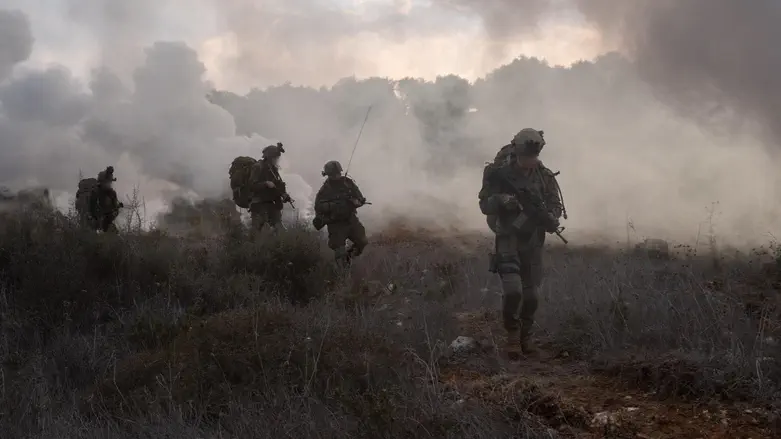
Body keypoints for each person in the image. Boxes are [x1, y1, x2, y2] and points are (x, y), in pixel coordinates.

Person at [478, 128, 565, 359]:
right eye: (526, 158)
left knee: (531, 296)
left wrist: (550, 217)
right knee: (513, 291)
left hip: (533, 240)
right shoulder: (498, 173)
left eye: (533, 158)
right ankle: (513, 337)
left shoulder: (543, 175)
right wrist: (502, 200)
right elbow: (485, 205)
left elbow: (556, 205)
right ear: (517, 153)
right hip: (507, 236)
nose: (529, 162)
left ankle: (527, 339)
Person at [313, 160, 368, 266]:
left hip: (351, 220)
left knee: (362, 241)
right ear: (329, 175)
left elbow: (360, 197)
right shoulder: (324, 191)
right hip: (336, 224)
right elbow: (318, 207)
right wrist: (333, 206)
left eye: (338, 173)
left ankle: (349, 256)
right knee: (339, 253)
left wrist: (357, 202)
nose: (337, 176)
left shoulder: (348, 183)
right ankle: (342, 276)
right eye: (334, 174)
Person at [247, 143, 292, 232]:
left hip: (271, 204)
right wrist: (265, 184)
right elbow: (251, 186)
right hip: (259, 204)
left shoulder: (274, 169)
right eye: (275, 157)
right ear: (270, 157)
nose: (277, 160)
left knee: (280, 230)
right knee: (257, 232)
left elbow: (277, 185)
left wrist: (284, 194)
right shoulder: (258, 167)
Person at [89, 166, 123, 233]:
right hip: (96, 224)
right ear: (101, 182)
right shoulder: (95, 193)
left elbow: (114, 209)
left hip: (106, 224)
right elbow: (91, 210)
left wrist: (118, 207)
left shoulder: (112, 193)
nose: (109, 184)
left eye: (110, 182)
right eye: (107, 182)